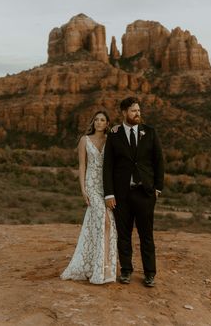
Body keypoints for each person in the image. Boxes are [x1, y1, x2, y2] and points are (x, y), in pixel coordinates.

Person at [103, 97, 164, 287]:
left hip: (145, 193)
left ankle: (150, 273)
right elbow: (108, 166)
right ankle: (126, 271)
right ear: (124, 112)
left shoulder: (150, 132)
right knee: (124, 235)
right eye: (133, 111)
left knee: (147, 235)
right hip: (122, 195)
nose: (137, 114)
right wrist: (109, 194)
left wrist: (158, 188)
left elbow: (159, 161)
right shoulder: (114, 134)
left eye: (138, 110)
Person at [60, 111, 117, 284]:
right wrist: (83, 190)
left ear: (107, 123)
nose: (99, 123)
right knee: (104, 221)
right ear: (93, 122)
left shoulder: (110, 140)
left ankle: (103, 265)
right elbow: (82, 165)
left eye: (102, 120)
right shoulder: (85, 140)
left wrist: (117, 129)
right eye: (96, 120)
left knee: (108, 223)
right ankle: (102, 267)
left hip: (106, 186)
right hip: (92, 185)